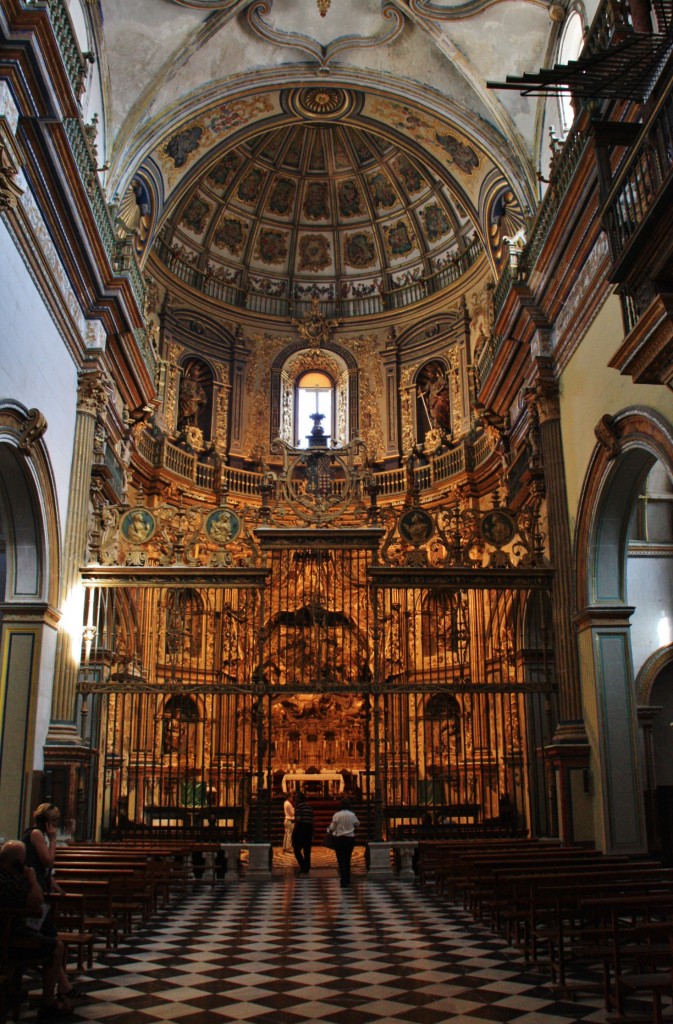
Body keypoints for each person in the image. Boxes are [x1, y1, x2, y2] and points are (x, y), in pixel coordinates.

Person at [0, 839, 77, 1018]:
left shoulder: (7, 877)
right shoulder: (8, 883)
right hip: (8, 938)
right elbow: (36, 900)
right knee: (56, 946)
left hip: (9, 933)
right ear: (17, 863)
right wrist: (32, 878)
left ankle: (13, 989)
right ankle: (48, 1001)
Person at [326, 797, 360, 888]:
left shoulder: (337, 815)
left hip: (339, 839)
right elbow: (357, 824)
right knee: (347, 859)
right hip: (350, 839)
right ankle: (347, 878)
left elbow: (332, 827)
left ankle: (343, 880)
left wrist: (328, 831)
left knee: (341, 860)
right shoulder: (352, 815)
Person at [291, 792, 314, 875]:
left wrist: (293, 821)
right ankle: (307, 867)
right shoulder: (309, 807)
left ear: (299, 798)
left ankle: (303, 865)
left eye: (296, 797)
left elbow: (298, 819)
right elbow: (312, 820)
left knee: (296, 849)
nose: (294, 798)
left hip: (300, 829)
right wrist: (313, 832)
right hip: (309, 829)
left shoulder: (298, 807)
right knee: (307, 850)